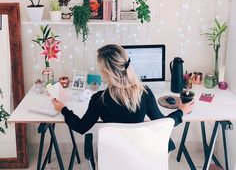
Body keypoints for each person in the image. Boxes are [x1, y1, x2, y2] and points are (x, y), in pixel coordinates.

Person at [52, 44, 194, 151]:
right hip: (140, 155)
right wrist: (181, 111)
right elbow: (164, 123)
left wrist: (64, 109)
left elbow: (81, 127)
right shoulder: (145, 93)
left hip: (113, 156)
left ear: (105, 73)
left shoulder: (99, 99)